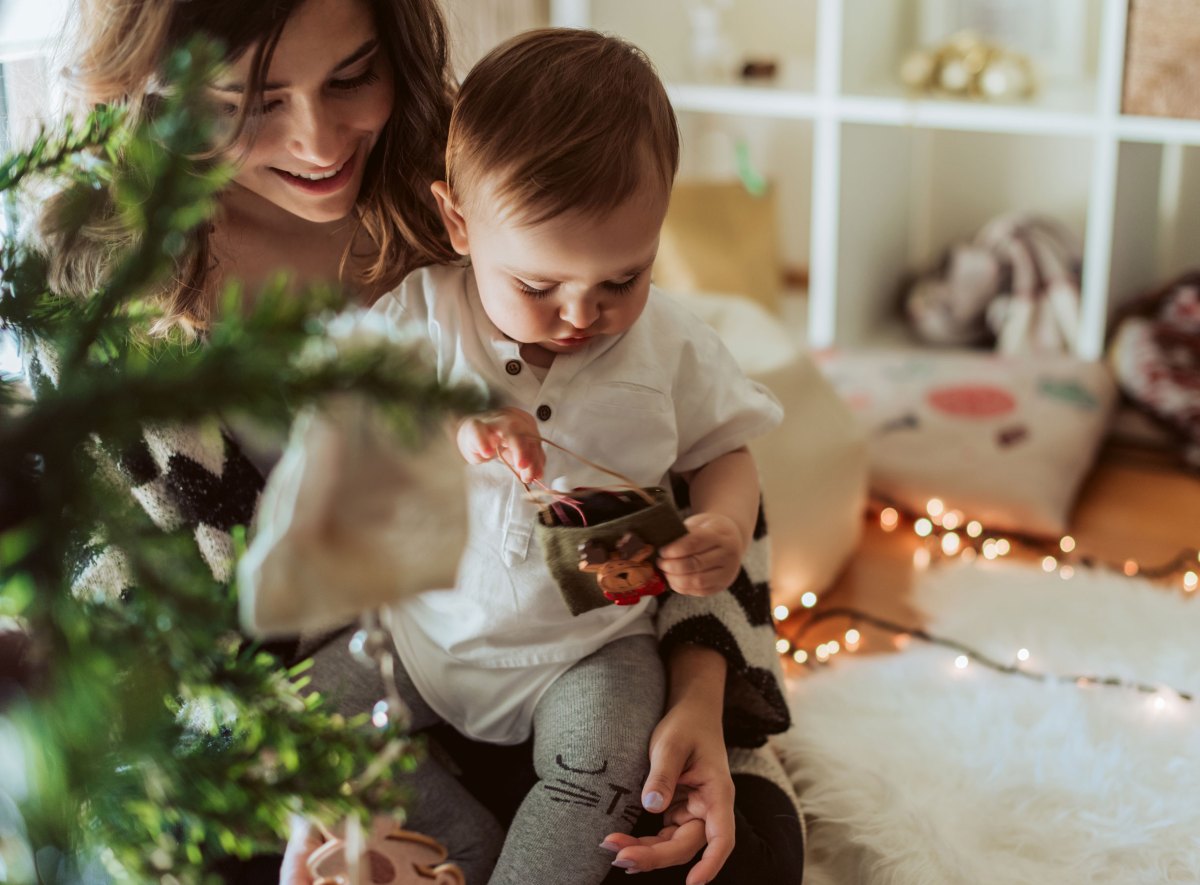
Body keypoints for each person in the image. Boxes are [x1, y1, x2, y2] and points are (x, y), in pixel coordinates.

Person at [38, 2, 805, 883]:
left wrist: (700, 698)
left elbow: (700, 478)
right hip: (361, 712)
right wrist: (318, 802)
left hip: (594, 669)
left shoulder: (501, 160)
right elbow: (123, 656)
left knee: (716, 850)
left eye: (353, 76)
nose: (321, 143)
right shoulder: (95, 294)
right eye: (248, 101)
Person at [343, 27, 782, 885]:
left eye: (624, 278)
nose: (582, 314)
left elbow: (726, 449)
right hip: (422, 636)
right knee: (292, 732)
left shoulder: (673, 349)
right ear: (457, 223)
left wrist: (723, 523)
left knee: (613, 768)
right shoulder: (423, 319)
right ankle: (460, 850)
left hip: (590, 650)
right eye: (538, 287)